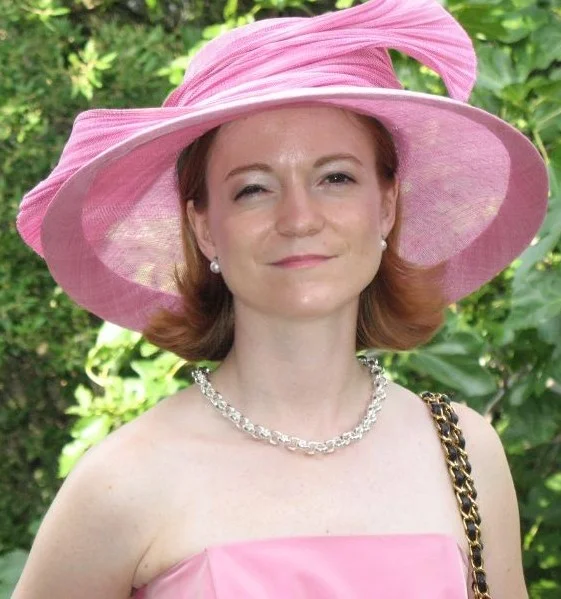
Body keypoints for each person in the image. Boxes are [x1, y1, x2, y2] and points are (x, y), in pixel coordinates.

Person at [13, 0, 548, 597]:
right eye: (253, 189)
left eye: (336, 178)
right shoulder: (122, 484)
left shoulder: (465, 454)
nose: (299, 218)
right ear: (204, 228)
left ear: (387, 206)